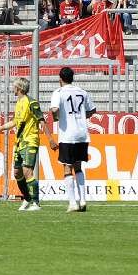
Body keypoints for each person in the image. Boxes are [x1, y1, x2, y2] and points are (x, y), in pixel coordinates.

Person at [0, 77, 53, 211]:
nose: (12, 89)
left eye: (14, 86)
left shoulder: (32, 102)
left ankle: (36, 203)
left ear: (19, 88)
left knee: (27, 172)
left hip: (30, 141)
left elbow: (42, 121)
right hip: (19, 142)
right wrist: (0, 128)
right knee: (17, 173)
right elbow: (15, 121)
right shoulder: (19, 102)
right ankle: (27, 198)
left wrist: (50, 140)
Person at [47, 67, 96, 213]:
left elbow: (54, 109)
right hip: (82, 133)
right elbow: (92, 110)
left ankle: (73, 203)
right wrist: (81, 116)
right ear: (72, 78)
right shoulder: (82, 91)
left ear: (60, 79)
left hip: (67, 134)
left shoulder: (58, 92)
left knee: (67, 167)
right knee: (78, 166)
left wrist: (56, 118)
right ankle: (82, 200)